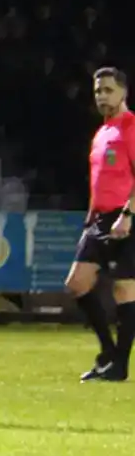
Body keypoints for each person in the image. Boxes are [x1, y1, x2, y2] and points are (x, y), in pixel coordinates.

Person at [64, 67, 135, 382]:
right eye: (97, 91)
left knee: (124, 289)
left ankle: (119, 365)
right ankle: (109, 352)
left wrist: (128, 215)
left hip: (126, 215)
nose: (102, 96)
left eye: (108, 90)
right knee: (77, 283)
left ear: (123, 92)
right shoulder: (103, 132)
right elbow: (100, 179)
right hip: (100, 218)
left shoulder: (131, 127)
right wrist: (91, 215)